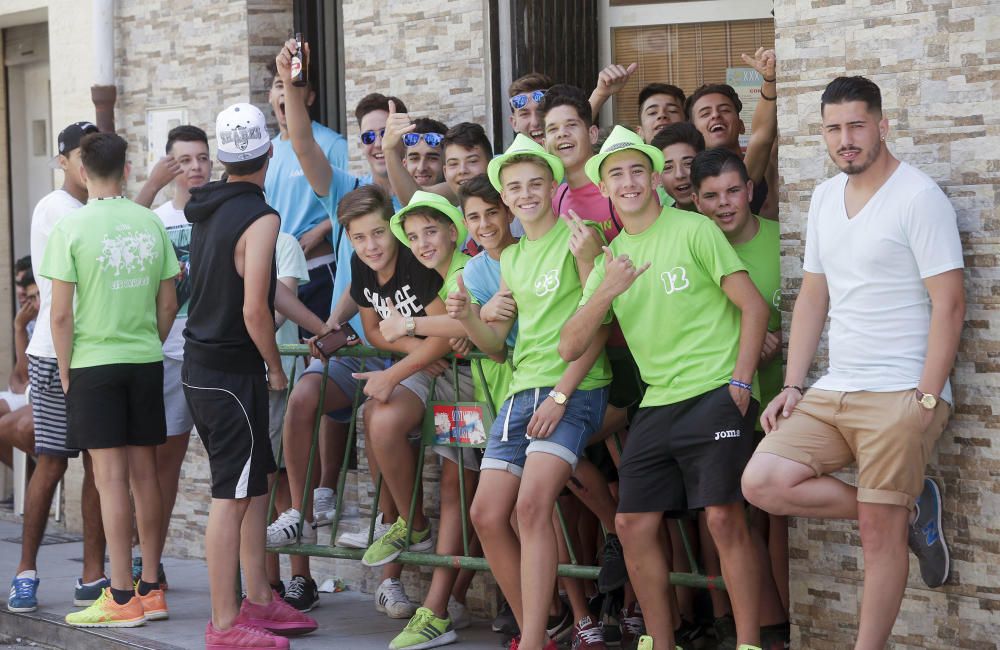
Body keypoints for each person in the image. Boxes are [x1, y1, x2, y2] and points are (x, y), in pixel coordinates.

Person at [742, 76, 965, 650]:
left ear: (882, 126)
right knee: (762, 482)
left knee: (876, 532)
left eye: (857, 125)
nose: (846, 139)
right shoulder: (821, 198)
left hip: (900, 393)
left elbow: (950, 303)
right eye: (834, 128)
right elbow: (814, 294)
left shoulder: (918, 197)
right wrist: (793, 384)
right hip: (834, 388)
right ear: (822, 133)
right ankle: (908, 507)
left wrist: (926, 397)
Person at [559, 126, 771, 650]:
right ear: (603, 189)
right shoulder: (610, 261)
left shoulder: (694, 230)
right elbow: (569, 346)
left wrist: (740, 381)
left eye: (637, 170)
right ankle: (661, 640)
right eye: (616, 174)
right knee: (631, 523)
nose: (628, 182)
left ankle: (748, 642)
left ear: (655, 177)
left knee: (723, 517)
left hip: (716, 391)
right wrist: (605, 288)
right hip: (657, 403)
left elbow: (754, 307)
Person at [267, 40, 415, 619]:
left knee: (384, 449)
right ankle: (305, 509)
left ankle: (391, 579)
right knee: (306, 389)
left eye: (391, 132)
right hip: (356, 353)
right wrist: (288, 82)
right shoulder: (349, 193)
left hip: (411, 361)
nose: (380, 143)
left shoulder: (423, 202)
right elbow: (301, 144)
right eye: (372, 135)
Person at [449, 134, 611, 650]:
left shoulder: (578, 239)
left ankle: (536, 640)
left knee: (532, 507)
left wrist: (561, 395)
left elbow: (599, 323)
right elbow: (497, 348)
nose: (524, 194)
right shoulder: (512, 258)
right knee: (485, 514)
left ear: (552, 185)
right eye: (514, 187)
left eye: (535, 183)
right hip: (521, 391)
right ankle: (538, 627)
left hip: (573, 389)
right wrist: (469, 317)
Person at [183, 102, 317, 649]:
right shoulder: (261, 217)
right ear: (268, 155)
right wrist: (276, 368)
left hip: (206, 368)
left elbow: (263, 288)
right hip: (231, 373)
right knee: (231, 497)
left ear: (222, 159)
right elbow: (256, 312)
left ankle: (260, 598)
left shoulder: (209, 207)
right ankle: (223, 625)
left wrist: (321, 327)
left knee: (255, 482)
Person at [43, 132, 179, 627]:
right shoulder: (150, 222)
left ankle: (121, 597)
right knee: (146, 476)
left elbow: (60, 316)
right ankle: (151, 589)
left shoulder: (71, 227)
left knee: (110, 482)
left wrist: (64, 368)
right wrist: (149, 341)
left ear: (82, 171)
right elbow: (169, 303)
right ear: (126, 169)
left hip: (93, 365)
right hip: (144, 359)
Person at [691, 147, 791, 646]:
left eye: (733, 191)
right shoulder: (691, 246)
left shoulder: (784, 241)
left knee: (777, 517)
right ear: (695, 201)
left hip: (783, 405)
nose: (724, 204)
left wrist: (780, 339)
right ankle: (767, 626)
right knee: (733, 512)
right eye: (711, 196)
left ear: (750, 191)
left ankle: (785, 621)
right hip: (721, 406)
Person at [8, 121, 108, 615]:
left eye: (95, 153)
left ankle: (93, 577)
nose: (87, 163)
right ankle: (25, 573)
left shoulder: (96, 206)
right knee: (51, 461)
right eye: (79, 155)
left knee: (99, 465)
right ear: (62, 161)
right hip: (53, 353)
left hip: (95, 355)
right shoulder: (58, 208)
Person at [133, 124, 214, 590]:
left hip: (210, 353)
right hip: (164, 351)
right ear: (169, 164)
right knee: (162, 466)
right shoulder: (155, 217)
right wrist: (152, 184)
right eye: (184, 160)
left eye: (202, 157)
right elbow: (119, 225)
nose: (196, 167)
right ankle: (149, 564)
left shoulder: (220, 211)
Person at [263, 58, 349, 330]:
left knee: (324, 351)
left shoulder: (333, 145)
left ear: (309, 96)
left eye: (291, 85)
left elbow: (355, 200)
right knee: (291, 363)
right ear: (271, 96)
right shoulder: (266, 153)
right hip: (278, 277)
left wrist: (321, 229)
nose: (284, 92)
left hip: (322, 270)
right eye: (279, 85)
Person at [684, 48, 777, 218]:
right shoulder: (683, 177)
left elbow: (762, 136)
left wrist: (769, 80)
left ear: (741, 126)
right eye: (705, 113)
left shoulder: (749, 170)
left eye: (725, 110)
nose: (715, 115)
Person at [651, 122, 705, 212]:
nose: (679, 174)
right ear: (658, 178)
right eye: (668, 167)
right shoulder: (662, 223)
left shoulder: (726, 218)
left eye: (688, 163)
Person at [508, 72, 553, 146]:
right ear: (514, 123)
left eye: (541, 111)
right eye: (525, 114)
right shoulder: (508, 158)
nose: (535, 122)